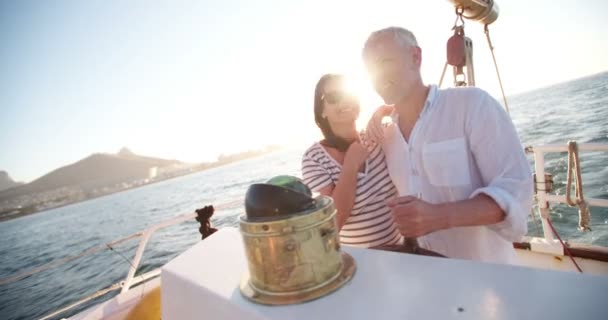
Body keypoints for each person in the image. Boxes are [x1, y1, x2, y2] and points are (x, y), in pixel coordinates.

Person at [362, 27, 533, 264]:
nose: (378, 76)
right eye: (371, 69)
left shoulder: (473, 105)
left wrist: (438, 216)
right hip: (428, 279)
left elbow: (516, 190)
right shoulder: (386, 135)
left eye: (385, 62)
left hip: (488, 277)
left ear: (415, 57)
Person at [301, 73, 402, 248]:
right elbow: (333, 223)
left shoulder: (377, 136)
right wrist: (351, 165)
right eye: (334, 97)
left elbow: (412, 108)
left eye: (349, 94)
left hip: (402, 251)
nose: (345, 101)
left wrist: (382, 111)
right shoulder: (314, 159)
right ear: (322, 111)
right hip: (361, 263)